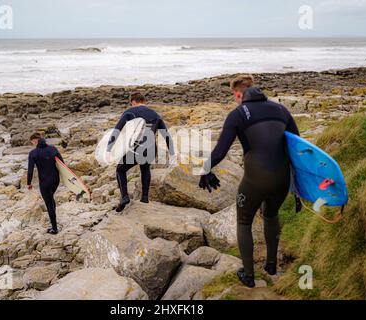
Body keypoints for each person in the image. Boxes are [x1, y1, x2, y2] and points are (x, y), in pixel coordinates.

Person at [198, 75, 300, 288]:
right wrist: (298, 187)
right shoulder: (281, 110)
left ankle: (249, 276)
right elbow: (297, 148)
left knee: (244, 221)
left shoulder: (237, 115)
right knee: (271, 215)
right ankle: (271, 266)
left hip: (255, 180)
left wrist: (205, 169)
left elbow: (220, 152)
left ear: (238, 94)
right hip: (282, 179)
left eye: (234, 97)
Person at [108, 92, 174, 212]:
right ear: (144, 101)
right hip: (150, 149)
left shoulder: (130, 112)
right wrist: (172, 152)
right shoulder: (155, 114)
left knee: (120, 169)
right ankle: (144, 198)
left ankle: (124, 197)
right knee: (145, 168)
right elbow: (166, 135)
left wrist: (109, 147)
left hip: (136, 148)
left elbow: (117, 130)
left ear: (133, 102)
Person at [27, 132, 64, 235]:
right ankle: (54, 221)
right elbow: (62, 164)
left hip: (44, 182)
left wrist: (29, 183)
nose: (32, 144)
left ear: (35, 140)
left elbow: (30, 170)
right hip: (55, 180)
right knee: (51, 199)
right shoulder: (53, 149)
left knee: (49, 204)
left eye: (32, 142)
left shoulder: (33, 153)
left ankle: (54, 228)